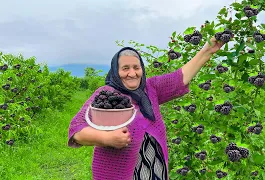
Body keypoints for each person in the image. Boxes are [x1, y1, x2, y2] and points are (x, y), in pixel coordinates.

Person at [67, 36, 224, 180]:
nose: (132, 73)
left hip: (155, 172)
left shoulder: (151, 89)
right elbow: (77, 131)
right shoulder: (105, 94)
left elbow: (179, 78)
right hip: (116, 174)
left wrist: (207, 50)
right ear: (116, 71)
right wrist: (107, 138)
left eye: (136, 67)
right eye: (125, 68)